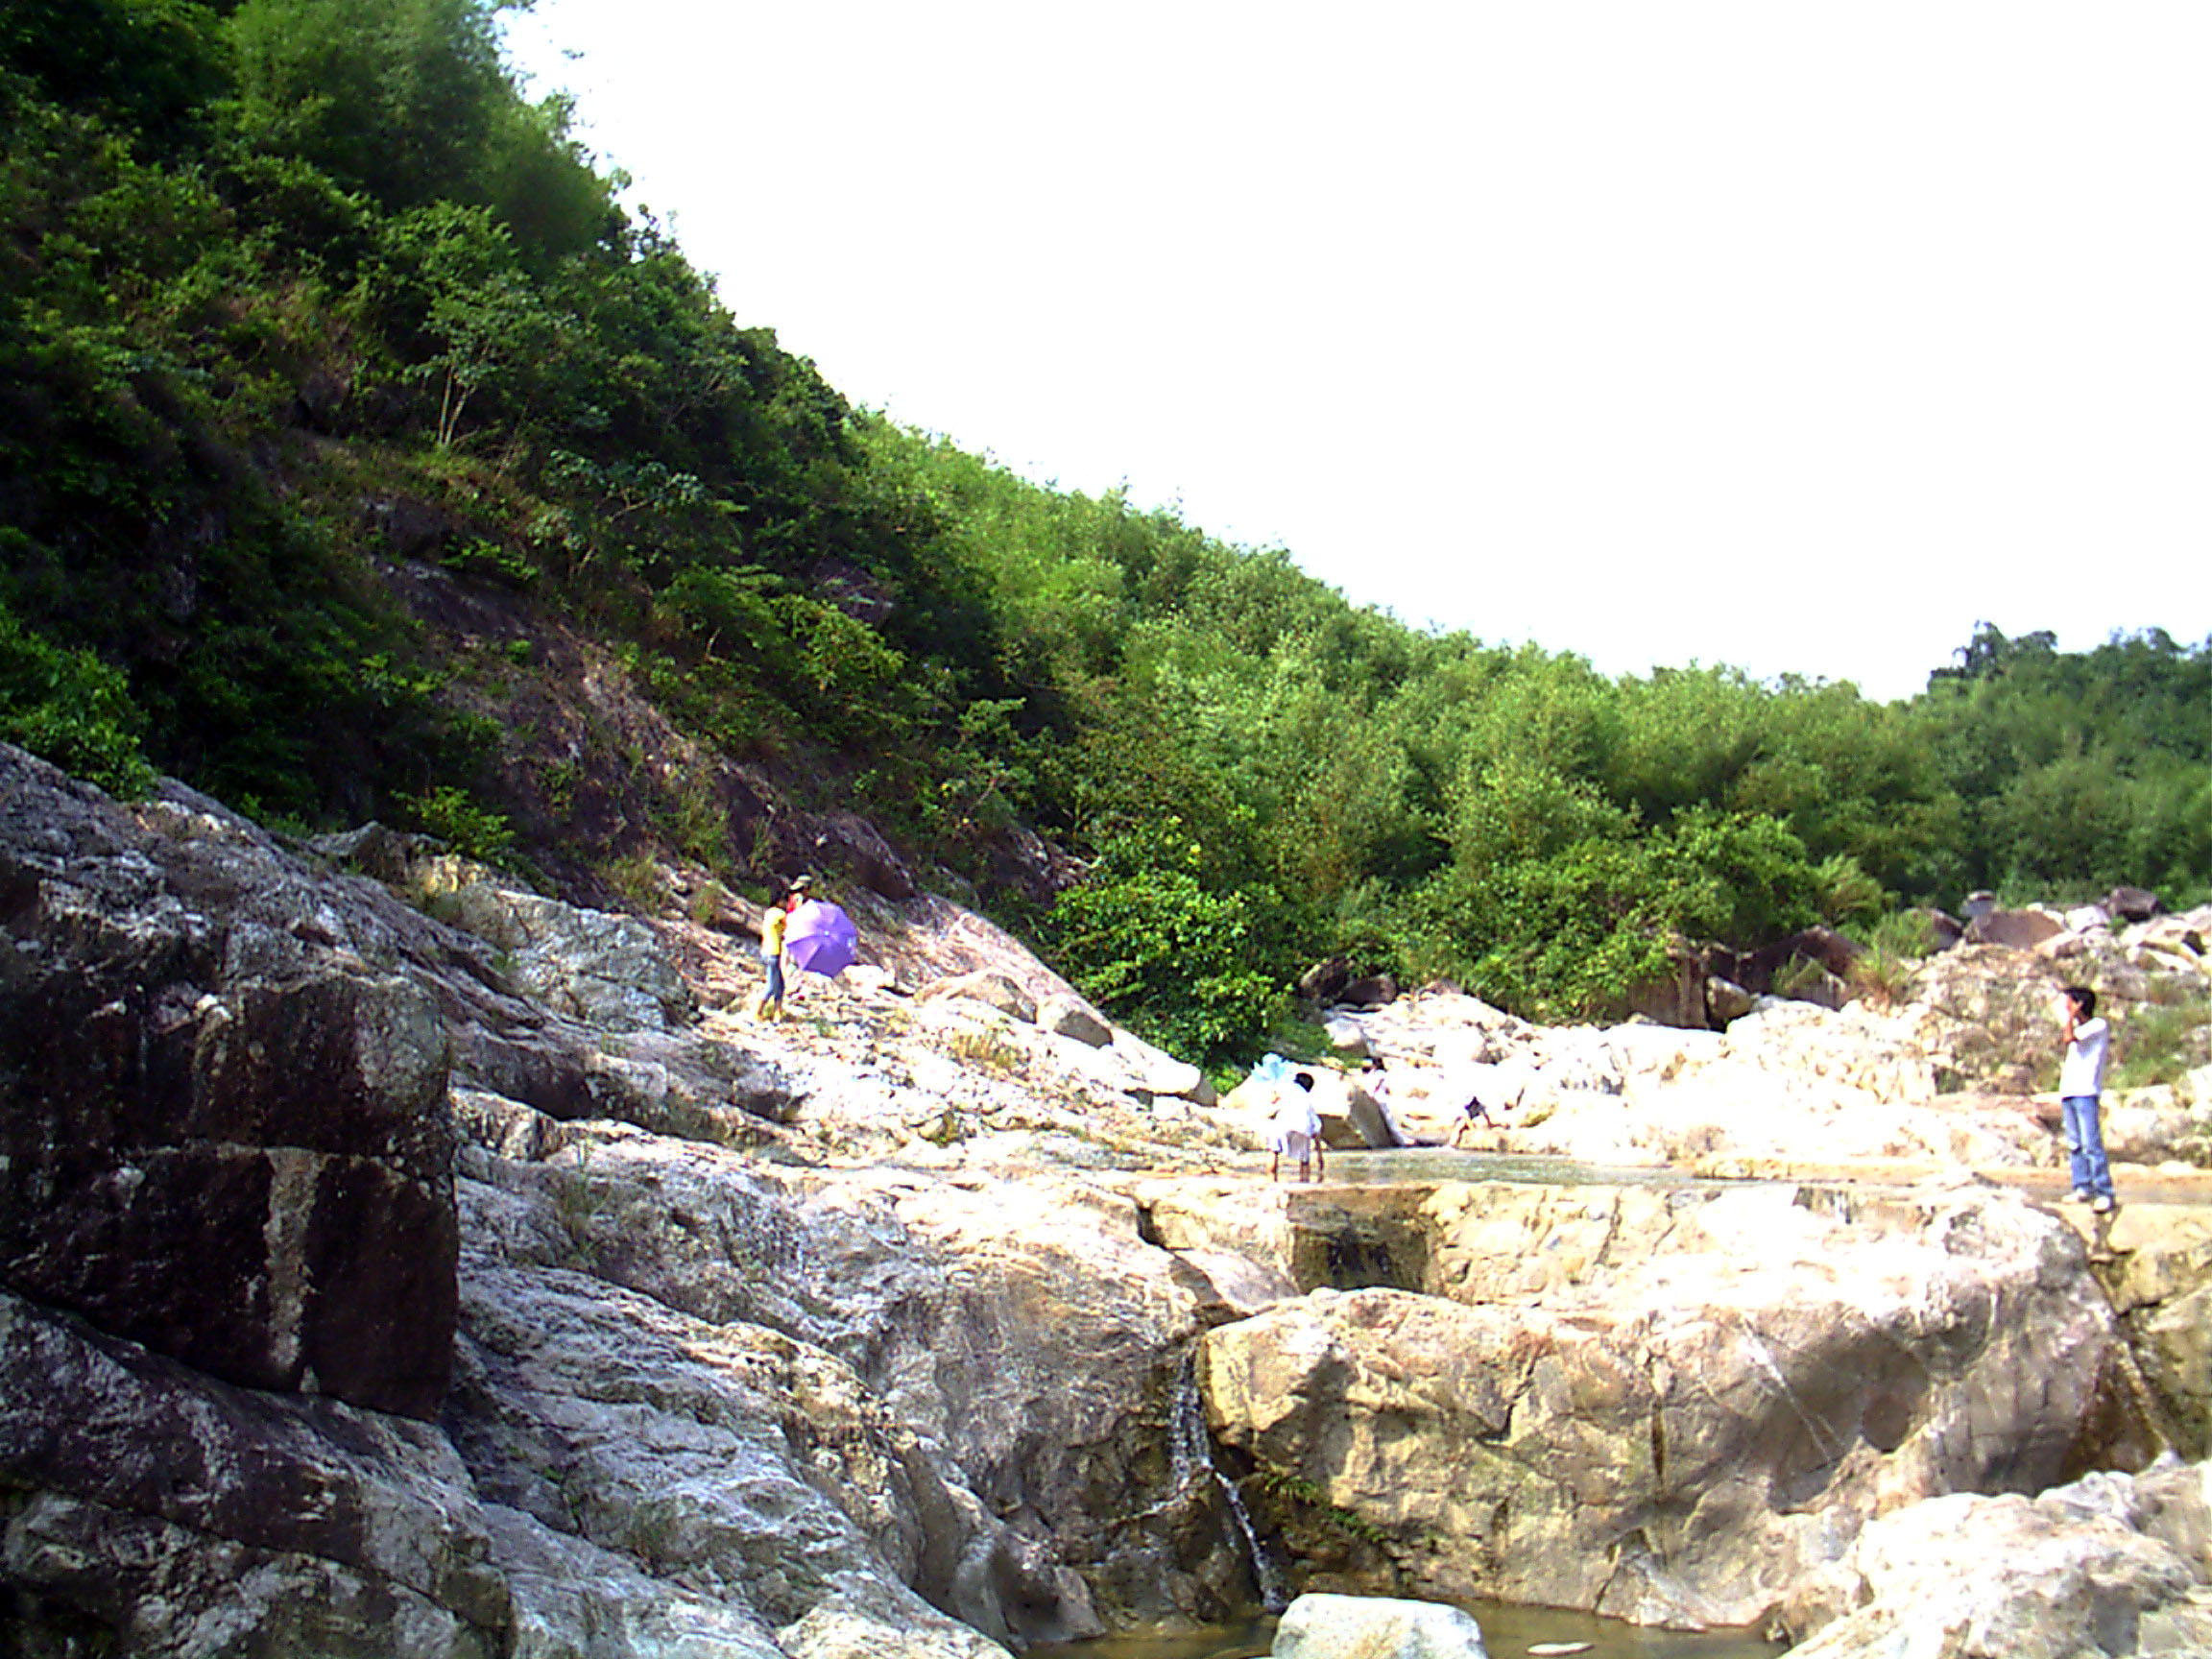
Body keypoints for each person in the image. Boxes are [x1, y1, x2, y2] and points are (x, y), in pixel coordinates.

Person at [2058, 985, 2116, 1214]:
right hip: (2070, 1091)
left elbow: (2068, 1038)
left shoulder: (2097, 1025)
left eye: (2070, 1002)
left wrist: (2071, 1016)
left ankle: (2104, 1191)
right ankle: (2082, 1186)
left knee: (2091, 1144)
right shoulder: (2081, 1028)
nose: (2066, 1007)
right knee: (2075, 1144)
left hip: (2086, 1092)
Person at [751, 881, 805, 1020]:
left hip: (765, 951)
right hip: (773, 953)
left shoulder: (769, 913)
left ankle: (777, 1012)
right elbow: (793, 924)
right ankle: (758, 1012)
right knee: (771, 986)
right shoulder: (780, 914)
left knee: (780, 984)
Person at [1269, 1071, 1325, 1184]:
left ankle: (1271, 1181)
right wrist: (1320, 1156)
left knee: (1273, 1152)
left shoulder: (1286, 1086)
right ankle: (1304, 1184)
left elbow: (1272, 1099)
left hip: (1283, 1124)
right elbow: (1316, 1129)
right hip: (1302, 1127)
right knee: (1304, 1160)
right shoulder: (1307, 1099)